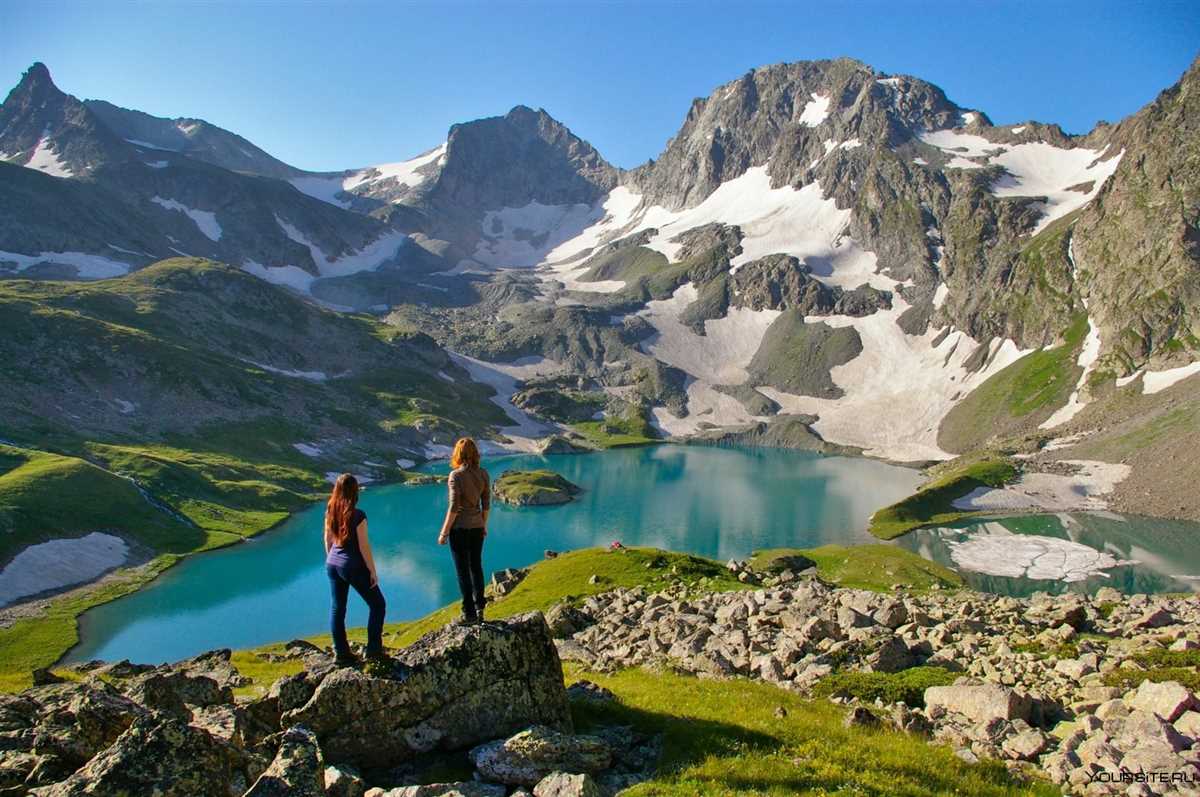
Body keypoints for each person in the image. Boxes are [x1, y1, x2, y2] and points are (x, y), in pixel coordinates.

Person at [324, 473, 386, 664]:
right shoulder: (358, 515)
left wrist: (331, 559)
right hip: (353, 566)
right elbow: (363, 546)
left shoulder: (330, 511)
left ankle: (341, 653)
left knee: (338, 608)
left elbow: (327, 539)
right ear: (355, 491)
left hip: (333, 564)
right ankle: (374, 650)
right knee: (378, 605)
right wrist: (372, 571)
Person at [438, 437, 490, 624]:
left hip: (459, 529)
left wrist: (444, 533)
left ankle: (469, 614)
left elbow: (453, 507)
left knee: (463, 571)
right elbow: (486, 505)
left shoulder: (456, 476)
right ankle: (480, 609)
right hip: (477, 527)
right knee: (476, 567)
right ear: (476, 454)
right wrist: (483, 525)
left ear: (458, 454)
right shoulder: (484, 474)